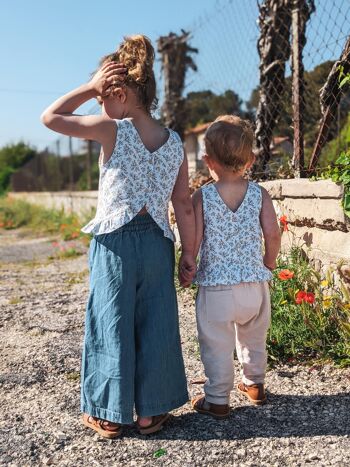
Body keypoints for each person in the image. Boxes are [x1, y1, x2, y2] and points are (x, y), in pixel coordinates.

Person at [41, 35, 196, 438]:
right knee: (157, 322)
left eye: (102, 96)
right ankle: (151, 412)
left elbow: (50, 117)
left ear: (120, 94)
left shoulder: (111, 130)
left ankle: (110, 413)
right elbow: (183, 203)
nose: (99, 104)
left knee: (110, 321)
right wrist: (189, 254)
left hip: (115, 242)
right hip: (159, 243)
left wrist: (86, 88)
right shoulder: (175, 143)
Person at [190, 115, 280, 419]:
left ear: (207, 161)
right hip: (254, 286)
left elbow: (195, 239)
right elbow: (272, 233)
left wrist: (186, 262)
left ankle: (217, 399)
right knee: (254, 337)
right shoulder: (260, 194)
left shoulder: (202, 197)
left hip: (216, 287)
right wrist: (268, 262)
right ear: (251, 160)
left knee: (216, 345)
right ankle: (254, 384)